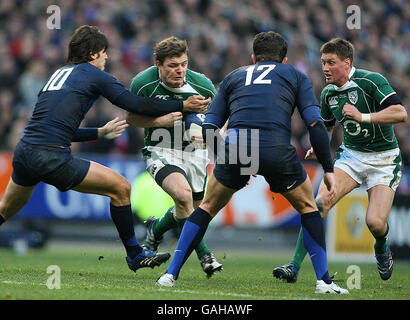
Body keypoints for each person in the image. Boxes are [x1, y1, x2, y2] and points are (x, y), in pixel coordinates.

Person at [0, 25, 209, 273]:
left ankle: (135, 253)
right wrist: (182, 104)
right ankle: (134, 254)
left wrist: (98, 133)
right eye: (103, 52)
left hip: (25, 152)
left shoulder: (60, 73)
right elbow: (134, 103)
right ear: (92, 54)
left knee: (5, 209)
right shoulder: (93, 74)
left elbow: (54, 126)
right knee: (121, 188)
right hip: (49, 155)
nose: (107, 57)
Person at [155, 31, 349, 294]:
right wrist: (327, 168)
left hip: (236, 147)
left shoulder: (234, 76)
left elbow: (210, 124)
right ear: (285, 59)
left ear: (254, 57)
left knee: (206, 208)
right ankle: (324, 281)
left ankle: (170, 275)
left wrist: (226, 158)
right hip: (276, 148)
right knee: (308, 208)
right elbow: (315, 124)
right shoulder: (295, 75)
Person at [273, 38, 407, 283]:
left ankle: (381, 245)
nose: (325, 68)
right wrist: (319, 143)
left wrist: (363, 116)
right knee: (319, 203)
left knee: (375, 223)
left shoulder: (371, 81)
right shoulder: (328, 93)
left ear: (346, 63)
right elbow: (328, 126)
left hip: (384, 160)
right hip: (351, 157)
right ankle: (293, 266)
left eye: (331, 62)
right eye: (323, 62)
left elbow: (400, 113)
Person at [126, 36, 223, 277]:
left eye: (184, 64)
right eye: (172, 65)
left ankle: (155, 229)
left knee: (192, 211)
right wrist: (159, 121)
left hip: (195, 154)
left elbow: (215, 121)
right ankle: (205, 255)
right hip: (160, 150)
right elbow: (131, 118)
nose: (180, 70)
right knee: (183, 195)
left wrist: (209, 136)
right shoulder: (143, 83)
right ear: (158, 64)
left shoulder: (202, 86)